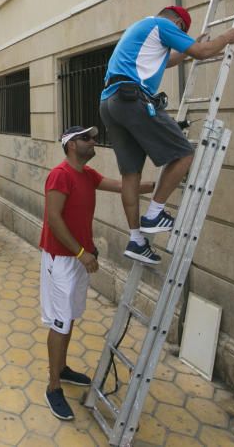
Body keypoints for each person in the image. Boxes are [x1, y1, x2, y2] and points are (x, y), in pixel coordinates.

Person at [100, 5, 234, 264]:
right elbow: (203, 52)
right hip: (133, 98)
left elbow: (169, 60)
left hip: (110, 102)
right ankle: (155, 213)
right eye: (182, 33)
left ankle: (136, 239)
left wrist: (187, 51)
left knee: (130, 174)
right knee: (184, 154)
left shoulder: (141, 27)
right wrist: (226, 38)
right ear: (177, 23)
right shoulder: (163, 26)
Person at [39, 126, 155, 421]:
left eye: (92, 137)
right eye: (87, 138)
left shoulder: (88, 175)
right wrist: (81, 252)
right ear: (71, 145)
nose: (93, 141)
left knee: (71, 315)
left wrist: (159, 184)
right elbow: (53, 218)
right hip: (62, 259)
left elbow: (122, 187)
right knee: (60, 321)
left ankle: (62, 369)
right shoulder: (60, 175)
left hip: (79, 258)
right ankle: (53, 386)